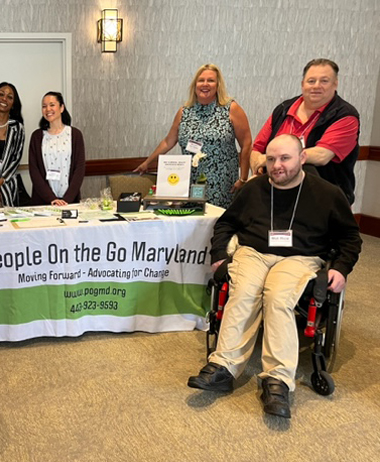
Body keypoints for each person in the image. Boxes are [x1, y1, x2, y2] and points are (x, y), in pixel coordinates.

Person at [187, 134, 361, 419]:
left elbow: (350, 238)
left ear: (302, 158)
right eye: (270, 159)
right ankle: (223, 367)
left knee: (278, 297)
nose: (277, 166)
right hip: (254, 252)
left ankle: (277, 380)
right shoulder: (253, 189)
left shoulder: (328, 193)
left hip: (300, 256)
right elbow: (226, 223)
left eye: (285, 158)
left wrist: (340, 268)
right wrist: (219, 254)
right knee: (243, 292)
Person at [134, 64, 252, 208]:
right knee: (193, 224)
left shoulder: (231, 108)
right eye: (201, 80)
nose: (205, 84)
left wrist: (243, 178)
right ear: (195, 85)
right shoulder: (184, 111)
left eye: (211, 80)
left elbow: (246, 143)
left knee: (217, 225)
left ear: (218, 85)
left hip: (222, 184)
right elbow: (168, 141)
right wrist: (148, 162)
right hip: (190, 183)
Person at [250, 58, 359, 204]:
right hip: (275, 195)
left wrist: (270, 159)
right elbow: (257, 149)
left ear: (335, 84)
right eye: (311, 81)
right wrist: (258, 172)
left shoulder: (345, 116)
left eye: (324, 81)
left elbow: (322, 155)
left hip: (323, 200)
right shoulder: (283, 109)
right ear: (302, 84)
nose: (316, 86)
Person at [28, 92, 86, 206]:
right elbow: (34, 171)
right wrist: (51, 198)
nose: (48, 109)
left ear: (62, 107)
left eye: (52, 105)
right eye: (44, 106)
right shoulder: (37, 136)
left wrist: (67, 199)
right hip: (43, 201)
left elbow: (79, 169)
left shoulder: (75, 134)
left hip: (69, 201)